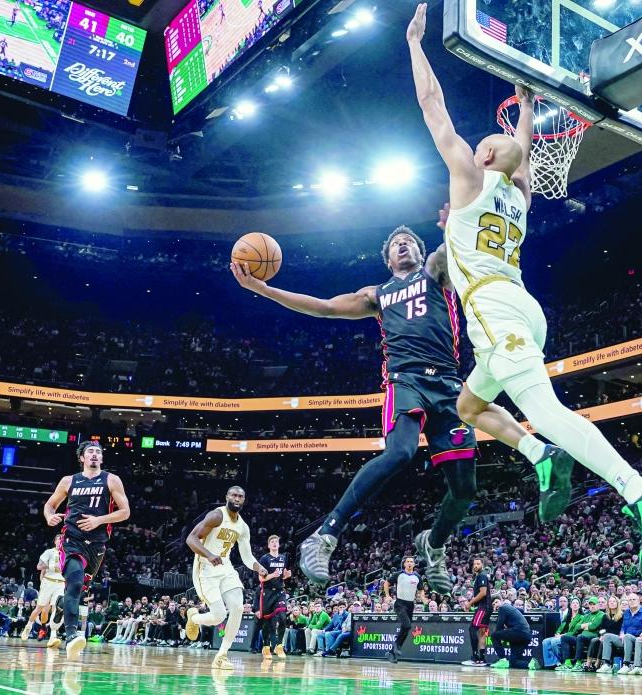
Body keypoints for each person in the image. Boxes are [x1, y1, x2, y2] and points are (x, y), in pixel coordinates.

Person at [405, 2, 642, 579]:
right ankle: (542, 457)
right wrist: (527, 111)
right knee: (469, 405)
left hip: (495, 306)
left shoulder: (470, 178)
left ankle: (641, 492)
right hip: (523, 308)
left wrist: (414, 43)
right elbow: (524, 156)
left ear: (483, 156)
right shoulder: (520, 196)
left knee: (546, 410)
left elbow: (433, 107)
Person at [233, 225, 570, 594]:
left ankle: (435, 544)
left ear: (419, 252)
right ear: (388, 258)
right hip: (405, 381)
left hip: (447, 384)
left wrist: (458, 218)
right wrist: (263, 290)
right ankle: (324, 536)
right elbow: (325, 307)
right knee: (400, 452)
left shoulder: (436, 273)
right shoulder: (377, 294)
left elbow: (453, 246)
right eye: (395, 244)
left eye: (408, 241)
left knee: (465, 489)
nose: (402, 244)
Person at [43, 441, 130, 660]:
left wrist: (99, 520)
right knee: (73, 584)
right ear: (81, 458)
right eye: (90, 451)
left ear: (101, 458)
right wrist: (49, 516)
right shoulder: (69, 481)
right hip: (72, 540)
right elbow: (50, 505)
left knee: (78, 591)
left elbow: (125, 512)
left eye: (98, 452)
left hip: (97, 544)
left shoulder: (111, 479)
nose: (94, 454)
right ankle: (72, 636)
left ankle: (61, 606)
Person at [184, 486, 269, 670]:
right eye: (234, 495)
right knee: (218, 616)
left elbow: (246, 556)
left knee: (238, 607)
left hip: (226, 568)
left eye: (241, 496)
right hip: (205, 569)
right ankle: (194, 618)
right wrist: (208, 554)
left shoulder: (242, 526)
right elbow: (191, 539)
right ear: (227, 497)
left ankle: (222, 656)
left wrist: (259, 567)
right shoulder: (216, 516)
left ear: (244, 500)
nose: (237, 499)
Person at [21, 535, 66, 646]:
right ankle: (28, 626)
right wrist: (52, 566)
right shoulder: (49, 552)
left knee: (57, 609)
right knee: (40, 609)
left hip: (60, 583)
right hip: (48, 582)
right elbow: (39, 566)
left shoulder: (67, 554)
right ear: (55, 541)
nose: (61, 540)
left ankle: (53, 636)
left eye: (63, 539)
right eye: (59, 538)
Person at [382, 557, 426, 663]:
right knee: (407, 625)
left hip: (410, 604)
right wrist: (387, 596)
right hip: (400, 603)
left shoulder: (417, 577)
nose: (410, 563)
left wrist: (423, 597)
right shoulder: (398, 574)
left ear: (414, 564)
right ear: (404, 564)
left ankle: (392, 652)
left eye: (411, 562)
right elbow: (386, 583)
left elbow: (421, 590)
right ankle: (396, 645)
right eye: (408, 562)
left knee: (406, 628)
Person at [256, 535, 289, 659]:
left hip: (280, 591)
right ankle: (266, 646)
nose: (275, 543)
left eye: (276, 542)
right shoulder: (265, 558)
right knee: (267, 622)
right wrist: (272, 575)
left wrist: (286, 575)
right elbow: (261, 578)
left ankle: (279, 645)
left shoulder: (282, 558)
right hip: (267, 592)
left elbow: (283, 575)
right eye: (272, 542)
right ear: (269, 545)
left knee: (282, 617)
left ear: (278, 544)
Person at [462, 557, 491, 666]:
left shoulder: (482, 576)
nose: (475, 566)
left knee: (472, 629)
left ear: (482, 565)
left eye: (478, 564)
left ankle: (475, 657)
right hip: (485, 607)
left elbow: (483, 593)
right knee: (481, 633)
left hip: (483, 607)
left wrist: (470, 603)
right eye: (474, 564)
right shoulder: (479, 576)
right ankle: (482, 659)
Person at [538, 597, 579, 669]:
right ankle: (552, 663)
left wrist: (562, 635)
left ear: (579, 606)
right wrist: (558, 633)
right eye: (573, 603)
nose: (575, 605)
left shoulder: (581, 617)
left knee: (554, 641)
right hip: (561, 636)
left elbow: (576, 631)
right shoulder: (567, 616)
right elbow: (561, 627)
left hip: (571, 636)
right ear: (570, 605)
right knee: (545, 641)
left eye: (577, 603)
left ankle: (562, 660)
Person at [587, 595, 625, 673]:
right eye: (610, 602)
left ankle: (598, 664)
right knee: (594, 640)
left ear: (617, 603)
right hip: (605, 636)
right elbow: (602, 629)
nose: (612, 603)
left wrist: (606, 636)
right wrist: (601, 636)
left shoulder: (622, 615)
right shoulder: (605, 616)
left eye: (614, 601)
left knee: (603, 642)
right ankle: (588, 664)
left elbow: (619, 630)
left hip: (616, 637)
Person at [491, 599, 532, 669]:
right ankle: (530, 664)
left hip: (519, 631)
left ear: (501, 601)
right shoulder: (511, 608)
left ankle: (502, 660)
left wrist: (501, 635)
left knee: (494, 635)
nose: (496, 605)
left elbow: (499, 626)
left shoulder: (502, 607)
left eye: (496, 602)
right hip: (526, 635)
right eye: (493, 604)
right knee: (513, 662)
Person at [619, 592, 642, 675]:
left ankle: (632, 665)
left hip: (640, 637)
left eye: (634, 599)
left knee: (629, 636)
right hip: (627, 637)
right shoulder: (627, 612)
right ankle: (623, 665)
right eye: (630, 600)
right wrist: (621, 633)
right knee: (609, 636)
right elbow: (623, 625)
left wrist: (633, 632)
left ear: (639, 601)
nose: (632, 601)